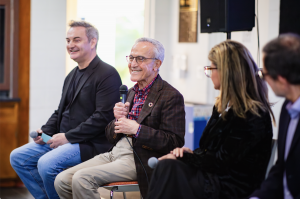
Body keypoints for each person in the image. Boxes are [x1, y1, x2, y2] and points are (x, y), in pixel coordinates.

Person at [54, 37, 186, 199]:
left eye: (141, 59)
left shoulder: (170, 96)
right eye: (131, 58)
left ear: (157, 64)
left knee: (82, 179)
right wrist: (117, 120)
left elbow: (174, 141)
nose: (133, 64)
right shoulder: (130, 92)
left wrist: (137, 129)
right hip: (115, 152)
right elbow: (111, 136)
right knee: (62, 180)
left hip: (140, 158)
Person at [146, 40, 274, 199]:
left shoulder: (252, 114)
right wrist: (188, 153)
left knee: (168, 168)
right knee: (167, 166)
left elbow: (222, 161)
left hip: (232, 186)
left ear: (228, 72)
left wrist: (187, 157)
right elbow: (209, 151)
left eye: (211, 68)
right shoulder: (222, 106)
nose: (209, 74)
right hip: (213, 177)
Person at [10, 20, 122, 199]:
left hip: (89, 144)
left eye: (76, 40)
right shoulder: (72, 75)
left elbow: (103, 118)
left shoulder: (107, 74)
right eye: (68, 40)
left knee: (47, 163)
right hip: (63, 140)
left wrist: (68, 137)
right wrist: (45, 132)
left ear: (92, 42)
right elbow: (60, 111)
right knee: (18, 157)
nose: (70, 45)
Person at [250, 33, 300, 199]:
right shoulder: (288, 107)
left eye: (264, 75)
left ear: (281, 79)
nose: (263, 81)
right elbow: (282, 168)